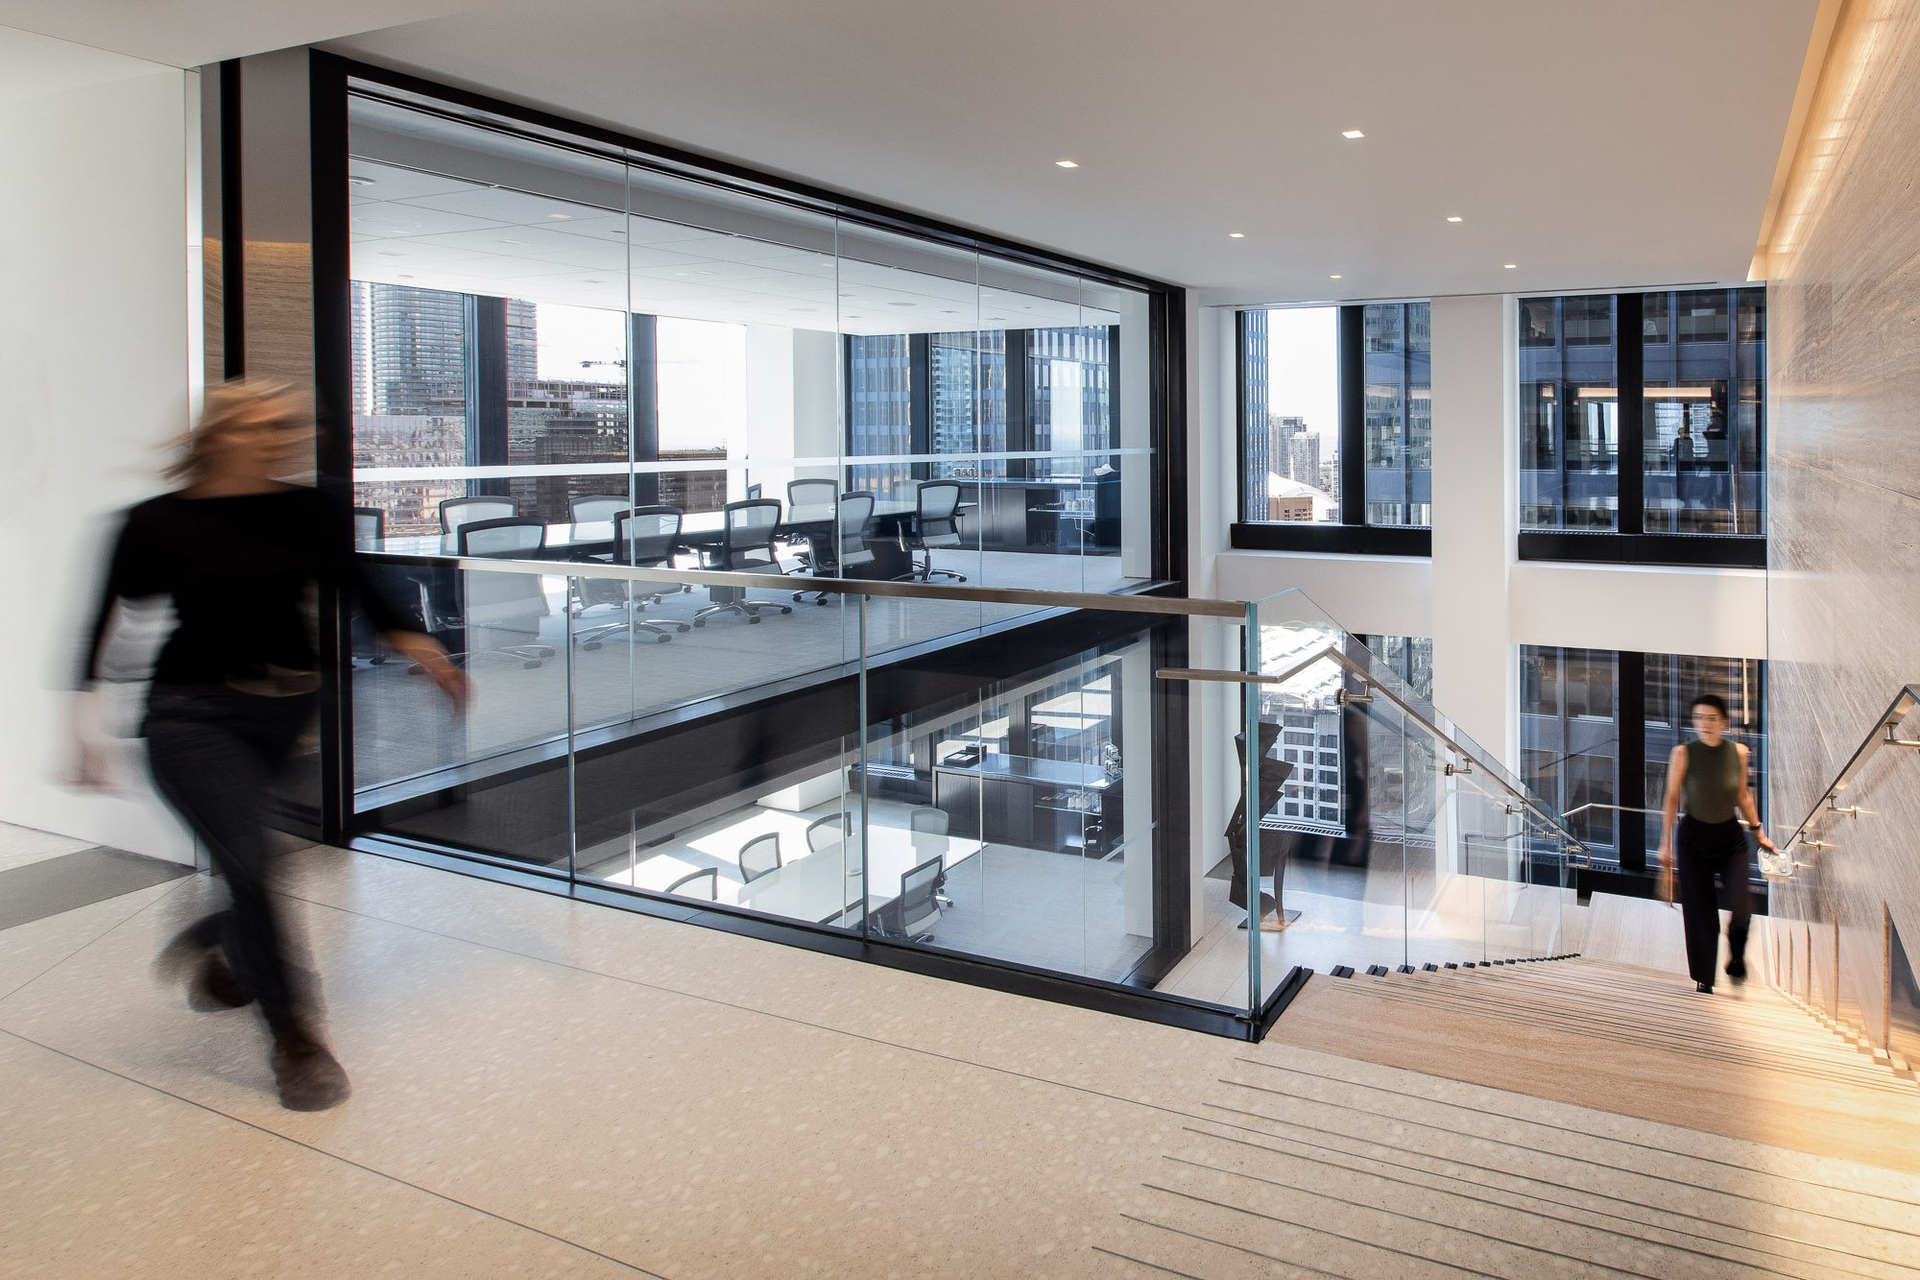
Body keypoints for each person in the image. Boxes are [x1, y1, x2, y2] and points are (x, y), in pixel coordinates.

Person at [72, 380, 468, 1110]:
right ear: (219, 432)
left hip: (285, 712)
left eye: (288, 426)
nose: (281, 437)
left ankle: (222, 947)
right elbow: (103, 618)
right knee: (256, 860)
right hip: (188, 716)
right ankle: (296, 1039)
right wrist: (83, 725)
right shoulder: (157, 522)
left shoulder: (305, 511)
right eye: (263, 425)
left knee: (242, 855)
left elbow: (355, 587)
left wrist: (424, 649)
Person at [1657, 693, 1774, 993]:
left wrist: (1758, 832)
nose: (1704, 724)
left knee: (1743, 906)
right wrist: (1665, 844)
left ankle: (1736, 956)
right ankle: (1704, 978)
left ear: (1724, 722)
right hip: (1693, 839)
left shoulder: (1738, 753)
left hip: (1729, 838)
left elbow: (1742, 796)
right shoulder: (1683, 753)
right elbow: (1671, 799)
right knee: (1700, 912)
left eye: (1711, 718)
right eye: (1699, 718)